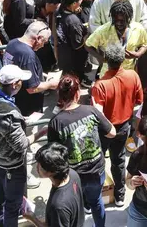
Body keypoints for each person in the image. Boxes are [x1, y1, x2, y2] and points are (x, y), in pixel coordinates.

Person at [0, 65, 44, 227]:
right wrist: (40, 133)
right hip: (12, 167)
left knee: (0, 196)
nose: (22, 84)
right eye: (21, 81)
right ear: (14, 84)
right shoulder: (9, 116)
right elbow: (21, 145)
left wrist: (18, 122)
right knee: (12, 205)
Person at [47, 74, 116, 227]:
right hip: (96, 171)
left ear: (60, 95)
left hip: (73, 175)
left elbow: (53, 153)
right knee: (97, 201)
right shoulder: (91, 111)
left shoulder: (56, 122)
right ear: (78, 93)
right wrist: (100, 113)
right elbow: (112, 132)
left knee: (77, 206)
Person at [91, 43, 143, 206]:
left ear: (105, 59)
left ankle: (94, 198)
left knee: (97, 162)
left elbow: (97, 114)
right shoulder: (133, 76)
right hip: (124, 127)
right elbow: (138, 101)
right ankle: (120, 196)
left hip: (104, 130)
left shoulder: (100, 85)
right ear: (123, 59)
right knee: (119, 161)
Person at [3, 21, 59, 116]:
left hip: (14, 97)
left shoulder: (12, 43)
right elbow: (32, 88)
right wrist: (50, 84)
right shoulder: (28, 55)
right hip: (28, 105)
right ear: (38, 38)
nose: (42, 46)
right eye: (44, 42)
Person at [86, 0, 147, 76]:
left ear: (129, 18)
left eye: (123, 20)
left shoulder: (138, 29)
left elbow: (144, 44)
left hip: (128, 74)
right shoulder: (103, 31)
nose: (119, 23)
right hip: (108, 75)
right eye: (116, 20)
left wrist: (138, 54)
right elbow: (88, 45)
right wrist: (100, 58)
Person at [33, 143, 85, 227]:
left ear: (51, 172)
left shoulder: (58, 206)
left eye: (40, 165)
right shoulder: (72, 174)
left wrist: (32, 218)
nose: (37, 167)